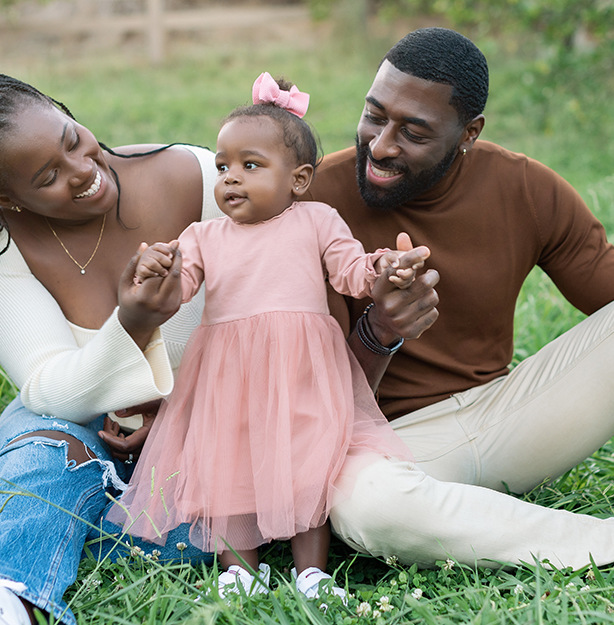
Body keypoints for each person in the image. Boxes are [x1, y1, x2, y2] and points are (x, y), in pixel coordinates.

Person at [0, 66, 431, 625]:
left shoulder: (206, 179)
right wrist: (133, 323)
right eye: (46, 178)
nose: (84, 169)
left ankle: (0, 528)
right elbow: (50, 392)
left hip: (216, 434)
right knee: (44, 448)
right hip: (77, 429)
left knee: (209, 525)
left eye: (72, 138)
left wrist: (179, 414)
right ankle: (10, 603)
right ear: (5, 197)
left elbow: (301, 333)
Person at [300, 27, 614, 608]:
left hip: (505, 417)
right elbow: (308, 398)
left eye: (413, 131)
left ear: (469, 133)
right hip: (375, 441)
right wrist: (380, 332)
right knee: (364, 507)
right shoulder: (311, 200)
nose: (381, 145)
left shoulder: (523, 188)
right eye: (373, 116)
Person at [107, 72, 417, 600]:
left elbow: (350, 272)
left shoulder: (317, 220)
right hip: (227, 372)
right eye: (222, 167)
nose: (230, 178)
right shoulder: (202, 236)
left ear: (297, 180)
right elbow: (178, 291)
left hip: (300, 370)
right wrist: (157, 275)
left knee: (305, 462)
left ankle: (311, 572)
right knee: (225, 464)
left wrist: (384, 269)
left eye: (250, 166)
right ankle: (238, 568)